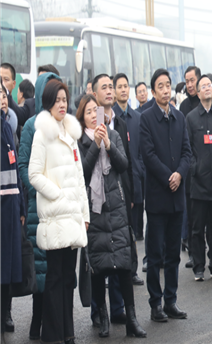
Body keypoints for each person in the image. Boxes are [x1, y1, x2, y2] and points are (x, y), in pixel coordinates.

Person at [76, 94, 146, 338]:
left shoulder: (113, 135)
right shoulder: (79, 142)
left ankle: (132, 319)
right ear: (82, 117)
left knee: (124, 265)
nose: (93, 115)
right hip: (94, 210)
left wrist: (107, 143)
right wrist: (95, 145)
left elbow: (123, 164)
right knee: (98, 266)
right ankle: (103, 317)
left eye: (95, 110)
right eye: (88, 112)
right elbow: (83, 173)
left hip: (116, 206)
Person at [28, 79, 90, 344]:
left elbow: (79, 177)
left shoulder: (71, 133)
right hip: (55, 216)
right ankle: (52, 336)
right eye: (57, 100)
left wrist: (85, 214)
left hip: (73, 217)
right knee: (54, 278)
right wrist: (58, 195)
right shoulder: (42, 133)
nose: (62, 104)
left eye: (65, 100)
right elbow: (33, 174)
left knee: (67, 278)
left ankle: (68, 333)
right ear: (48, 103)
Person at [140, 69, 191, 322]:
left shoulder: (179, 117)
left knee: (173, 254)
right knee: (155, 255)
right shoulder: (146, 118)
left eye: (167, 85)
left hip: (177, 196)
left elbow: (187, 152)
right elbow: (148, 155)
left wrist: (179, 174)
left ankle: (171, 300)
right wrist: (168, 176)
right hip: (158, 197)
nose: (165, 89)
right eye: (160, 86)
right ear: (153, 91)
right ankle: (155, 304)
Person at [17, 72, 61, 341]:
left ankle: (54, 324)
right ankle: (37, 322)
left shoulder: (64, 123)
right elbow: (23, 165)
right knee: (41, 268)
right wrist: (39, 190)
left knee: (56, 268)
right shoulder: (32, 125)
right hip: (38, 207)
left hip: (60, 206)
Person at [92, 73, 136, 324]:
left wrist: (130, 195)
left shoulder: (119, 123)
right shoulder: (91, 122)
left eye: (112, 86)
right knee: (99, 255)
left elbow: (126, 163)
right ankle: (98, 312)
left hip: (118, 196)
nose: (110, 91)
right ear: (95, 94)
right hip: (96, 201)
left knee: (120, 254)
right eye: (105, 87)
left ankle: (119, 309)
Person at [186, 75, 212, 282]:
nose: (208, 88)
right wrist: (195, 168)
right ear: (198, 92)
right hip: (199, 184)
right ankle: (199, 266)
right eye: (203, 86)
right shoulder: (191, 118)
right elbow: (188, 149)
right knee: (197, 229)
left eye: (210, 85)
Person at [0, 81, 25, 342]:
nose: (2, 97)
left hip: (10, 206)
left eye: (3, 92)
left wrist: (20, 206)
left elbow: (15, 167)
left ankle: (6, 311)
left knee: (8, 265)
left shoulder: (7, 126)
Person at [113, 74, 146, 251]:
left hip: (136, 177)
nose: (123, 90)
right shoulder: (110, 117)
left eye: (125, 86)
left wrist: (140, 169)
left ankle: (132, 265)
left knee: (135, 228)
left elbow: (142, 149)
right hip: (118, 179)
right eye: (119, 87)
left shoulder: (137, 117)